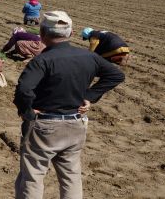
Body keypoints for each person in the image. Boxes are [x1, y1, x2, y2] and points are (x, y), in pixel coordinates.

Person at [13, 11, 125, 198]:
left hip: (45, 126)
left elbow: (24, 89)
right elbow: (116, 75)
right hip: (76, 123)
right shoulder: (89, 57)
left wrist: (26, 111)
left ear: (42, 34)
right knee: (71, 176)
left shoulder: (42, 60)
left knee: (33, 176)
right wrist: (90, 95)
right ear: (71, 33)